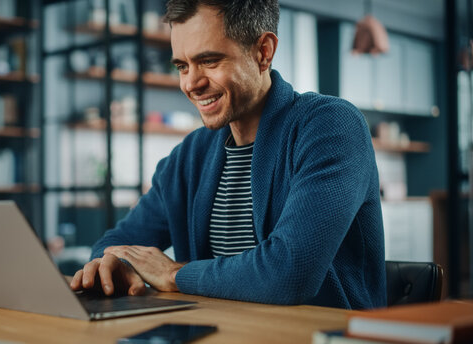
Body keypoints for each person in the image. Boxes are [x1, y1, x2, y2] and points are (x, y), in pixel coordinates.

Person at [70, 0, 386, 309]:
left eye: (209, 61)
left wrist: (173, 273)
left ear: (264, 51)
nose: (191, 83)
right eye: (182, 66)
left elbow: (288, 272)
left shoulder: (330, 126)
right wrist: (114, 265)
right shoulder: (191, 155)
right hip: (222, 337)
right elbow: (115, 244)